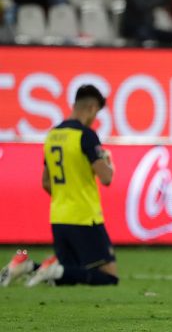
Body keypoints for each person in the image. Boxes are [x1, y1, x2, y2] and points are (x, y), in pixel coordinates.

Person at [0, 85, 117, 288]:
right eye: (96, 113)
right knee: (109, 276)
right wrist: (109, 163)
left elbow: (45, 181)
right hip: (85, 217)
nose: (94, 118)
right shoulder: (86, 136)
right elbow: (106, 178)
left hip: (58, 217)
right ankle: (51, 268)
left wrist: (65, 195)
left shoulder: (53, 135)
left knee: (67, 277)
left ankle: (27, 266)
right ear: (91, 108)